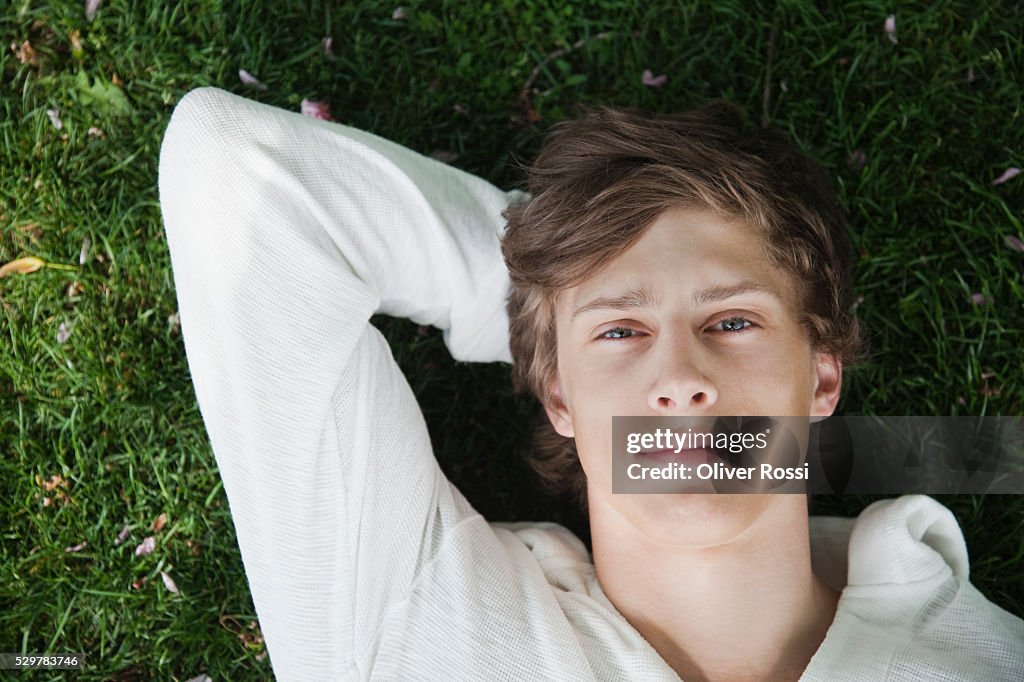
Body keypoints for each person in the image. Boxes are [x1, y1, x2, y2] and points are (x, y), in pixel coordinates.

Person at [158, 86, 1024, 681]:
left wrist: (582, 314)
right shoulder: (410, 621)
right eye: (624, 334)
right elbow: (240, 179)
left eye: (731, 322)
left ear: (822, 377)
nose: (680, 379)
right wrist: (550, 292)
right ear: (560, 398)